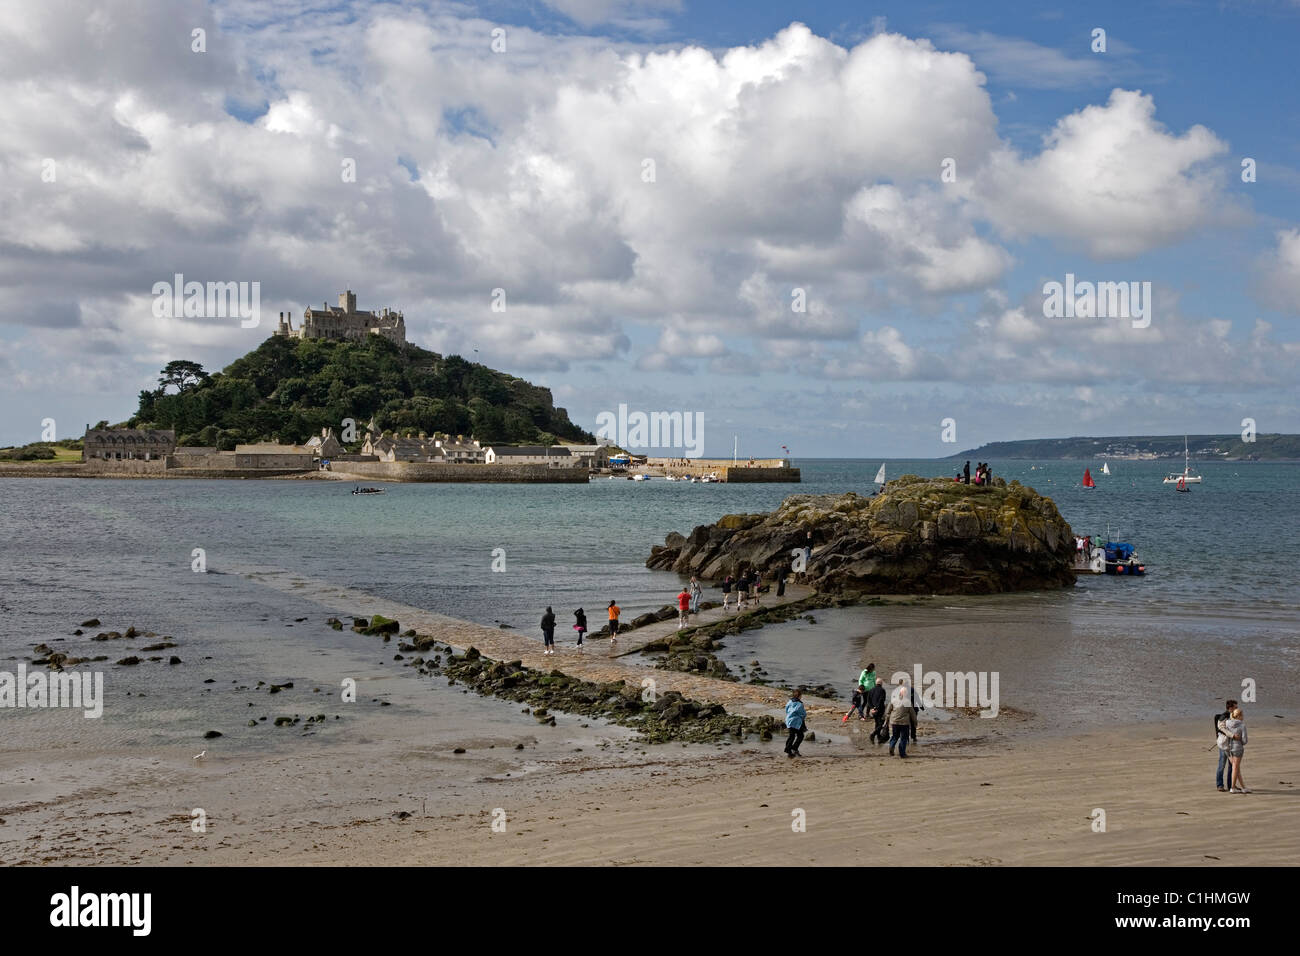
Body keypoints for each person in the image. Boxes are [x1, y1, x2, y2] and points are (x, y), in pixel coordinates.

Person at [1223, 707, 1250, 793]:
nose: (1243, 717)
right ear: (1239, 716)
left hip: (1229, 748)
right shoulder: (1242, 725)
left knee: (1236, 768)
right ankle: (1233, 787)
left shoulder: (1227, 723)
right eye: (1242, 715)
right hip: (1238, 748)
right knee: (1235, 768)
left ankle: (1243, 787)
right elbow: (1245, 740)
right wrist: (1240, 741)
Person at [1214, 698, 1239, 792]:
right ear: (1230, 708)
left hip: (1233, 744)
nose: (1237, 708)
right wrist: (1232, 735)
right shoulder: (1223, 716)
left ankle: (1231, 785)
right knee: (1222, 764)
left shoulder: (1234, 716)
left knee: (1232, 765)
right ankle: (1219, 785)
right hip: (1224, 744)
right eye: (1235, 707)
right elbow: (1221, 728)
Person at [885, 684, 915, 757]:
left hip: (894, 722)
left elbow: (887, 712)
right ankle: (902, 753)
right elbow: (912, 714)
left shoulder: (893, 700)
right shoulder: (908, 702)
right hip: (904, 723)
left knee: (895, 736)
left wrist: (888, 720)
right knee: (903, 738)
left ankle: (891, 746)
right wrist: (915, 723)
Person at [784, 689, 807, 758]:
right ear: (799, 696)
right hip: (796, 722)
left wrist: (789, 715)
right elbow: (803, 714)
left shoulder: (790, 701)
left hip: (789, 721)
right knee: (800, 736)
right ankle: (791, 749)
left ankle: (791, 749)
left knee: (791, 736)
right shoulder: (800, 704)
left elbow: (786, 709)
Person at [866, 680, 888, 744]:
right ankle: (873, 734)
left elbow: (868, 700)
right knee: (881, 723)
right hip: (880, 709)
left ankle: (879, 738)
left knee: (877, 723)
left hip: (873, 710)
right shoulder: (882, 690)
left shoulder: (871, 690)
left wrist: (872, 708)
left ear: (876, 683)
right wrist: (877, 708)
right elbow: (882, 700)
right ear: (881, 683)